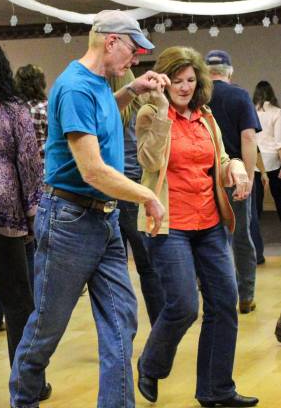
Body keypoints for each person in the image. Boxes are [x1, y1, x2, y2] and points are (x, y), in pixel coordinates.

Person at [9, 10, 167, 408]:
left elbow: (99, 115)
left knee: (120, 322)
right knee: (48, 325)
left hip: (104, 219)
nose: (135, 62)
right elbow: (93, 170)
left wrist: (131, 91)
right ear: (111, 41)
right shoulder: (77, 86)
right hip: (70, 220)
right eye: (133, 52)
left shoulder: (98, 84)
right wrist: (147, 196)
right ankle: (23, 399)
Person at [136, 46, 258, 408]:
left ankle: (216, 389)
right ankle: (151, 363)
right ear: (164, 80)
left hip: (210, 223)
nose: (185, 87)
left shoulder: (206, 117)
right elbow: (150, 159)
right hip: (170, 225)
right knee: (185, 306)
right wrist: (160, 110)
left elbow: (219, 158)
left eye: (191, 80)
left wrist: (234, 166)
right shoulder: (149, 113)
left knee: (224, 303)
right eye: (177, 80)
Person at [0, 41, 51, 401]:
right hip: (3, 216)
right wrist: (36, 220)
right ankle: (28, 386)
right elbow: (29, 168)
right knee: (19, 303)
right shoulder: (13, 110)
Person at [206, 50, 261, 314]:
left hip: (203, 179)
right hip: (235, 175)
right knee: (240, 237)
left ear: (206, 72)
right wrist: (249, 178)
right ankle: (245, 297)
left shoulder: (199, 98)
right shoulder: (239, 95)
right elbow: (248, 138)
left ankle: (212, 298)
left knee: (206, 239)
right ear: (230, 71)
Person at [109, 69, 164, 326]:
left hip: (108, 189)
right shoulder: (142, 111)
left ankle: (119, 332)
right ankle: (159, 328)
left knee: (113, 270)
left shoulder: (106, 111)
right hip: (135, 190)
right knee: (147, 266)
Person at [15, 64, 48, 290]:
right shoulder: (48, 109)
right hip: (46, 183)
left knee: (23, 244)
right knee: (44, 244)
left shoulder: (14, 111)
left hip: (19, 184)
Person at [253, 81, 281, 221]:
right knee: (279, 198)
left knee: (256, 203)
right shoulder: (277, 112)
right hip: (273, 162)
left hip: (254, 160)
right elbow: (279, 142)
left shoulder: (251, 110)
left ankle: (254, 236)